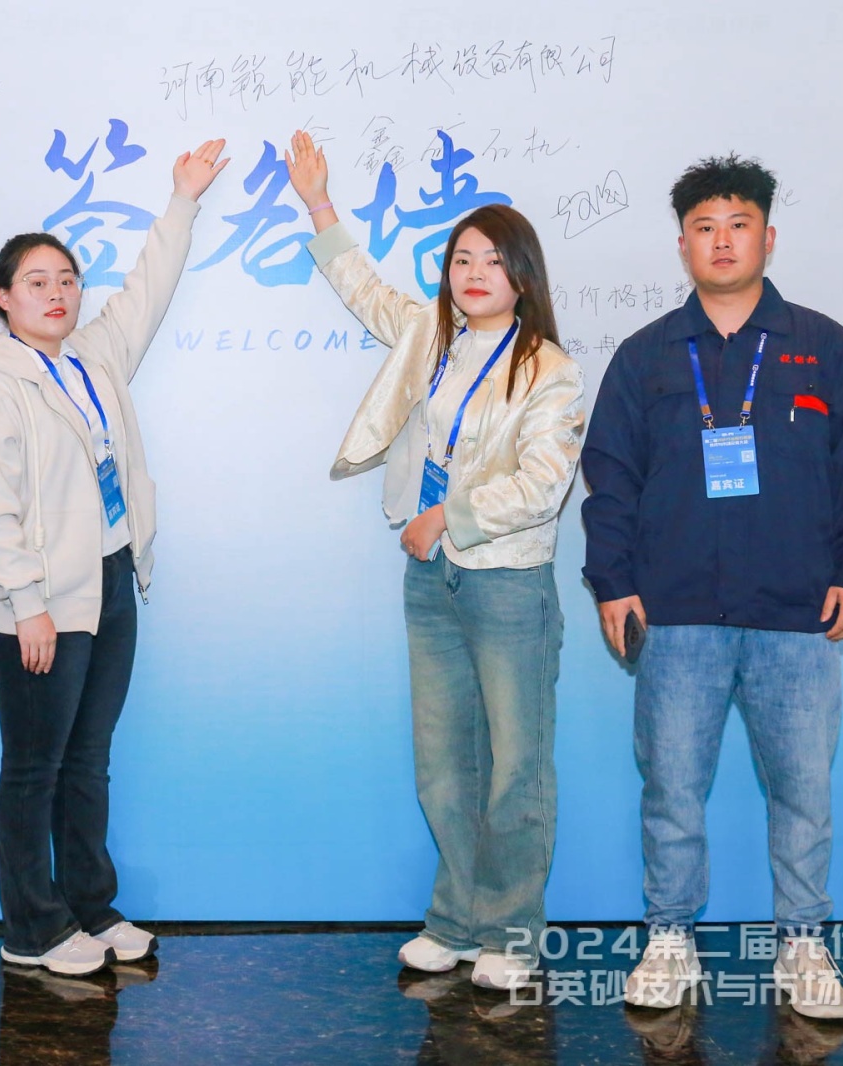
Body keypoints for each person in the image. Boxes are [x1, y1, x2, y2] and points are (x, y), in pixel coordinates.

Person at [579, 155, 843, 1020]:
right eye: (705, 227)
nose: (722, 241)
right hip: (675, 612)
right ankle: (669, 938)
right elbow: (610, 480)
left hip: (798, 613)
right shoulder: (646, 356)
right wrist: (613, 582)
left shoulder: (824, 347)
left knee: (802, 790)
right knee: (672, 788)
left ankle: (802, 943)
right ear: (683, 244)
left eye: (739, 224)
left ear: (768, 236)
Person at [283, 131, 586, 991]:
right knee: (445, 764)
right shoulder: (430, 335)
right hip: (432, 580)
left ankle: (512, 932)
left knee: (516, 766)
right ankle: (456, 921)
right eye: (461, 259)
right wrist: (319, 203)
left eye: (492, 260)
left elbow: (542, 487)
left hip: (508, 583)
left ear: (523, 274)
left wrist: (445, 518)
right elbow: (365, 290)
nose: (474, 273)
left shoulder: (551, 370)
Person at [0, 137, 229, 977]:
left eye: (67, 280)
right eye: (36, 282)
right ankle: (31, 928)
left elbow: (147, 291)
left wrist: (182, 200)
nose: (56, 293)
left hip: (108, 580)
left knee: (88, 760)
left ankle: (88, 908)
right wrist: (27, 602)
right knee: (33, 767)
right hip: (37, 601)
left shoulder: (90, 361)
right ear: (4, 298)